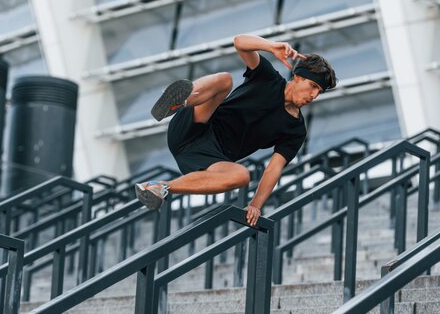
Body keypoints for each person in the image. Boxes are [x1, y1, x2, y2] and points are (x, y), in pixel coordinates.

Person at [135, 34, 337, 226]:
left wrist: (256, 205)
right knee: (225, 80)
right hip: (195, 126)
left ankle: (160, 187)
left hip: (210, 158)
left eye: (319, 91)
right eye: (312, 86)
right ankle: (179, 101)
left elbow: (273, 169)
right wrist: (270, 46)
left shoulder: (296, 130)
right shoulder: (268, 78)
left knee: (242, 176)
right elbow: (240, 42)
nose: (314, 95)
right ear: (298, 76)